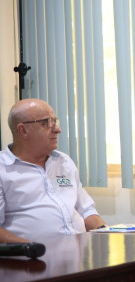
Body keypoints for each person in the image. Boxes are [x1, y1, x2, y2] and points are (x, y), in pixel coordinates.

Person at [0, 99, 105, 243]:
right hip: (31, 255)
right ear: (23, 131)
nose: (57, 129)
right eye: (46, 123)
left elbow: (86, 210)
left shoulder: (63, 162)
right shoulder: (3, 168)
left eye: (55, 121)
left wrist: (107, 235)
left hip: (78, 252)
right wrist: (31, 248)